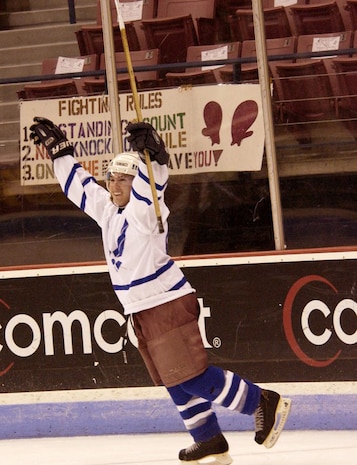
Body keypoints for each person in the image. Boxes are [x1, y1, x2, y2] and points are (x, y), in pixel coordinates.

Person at [30, 117, 291, 465]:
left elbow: (153, 187)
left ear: (137, 181)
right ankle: (208, 437)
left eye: (124, 178)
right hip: (141, 309)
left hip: (165, 302)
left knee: (193, 376)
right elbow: (80, 187)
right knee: (174, 379)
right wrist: (61, 154)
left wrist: (154, 159)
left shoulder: (146, 212)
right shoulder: (110, 213)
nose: (115, 183)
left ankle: (261, 402)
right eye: (112, 177)